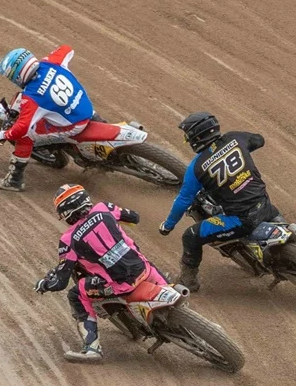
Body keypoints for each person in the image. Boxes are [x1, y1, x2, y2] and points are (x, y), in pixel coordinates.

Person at [34, 184, 168, 363]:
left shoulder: (68, 240)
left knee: (76, 294)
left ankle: (92, 348)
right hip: (143, 269)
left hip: (118, 285)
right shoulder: (104, 208)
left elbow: (60, 282)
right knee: (146, 262)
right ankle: (171, 294)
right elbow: (134, 217)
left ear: (65, 213)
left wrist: (44, 284)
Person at [157, 112, 281, 292]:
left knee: (190, 236)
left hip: (241, 220)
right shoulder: (236, 138)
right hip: (265, 205)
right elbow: (259, 140)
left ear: (196, 137)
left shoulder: (196, 167)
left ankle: (188, 281)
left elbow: (183, 200)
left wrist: (167, 226)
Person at [0, 45, 95, 192]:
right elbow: (67, 48)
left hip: (73, 124)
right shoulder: (51, 62)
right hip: (86, 108)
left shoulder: (32, 97)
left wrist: (5, 134)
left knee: (25, 135)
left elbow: (22, 127)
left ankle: (14, 180)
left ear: (19, 75)